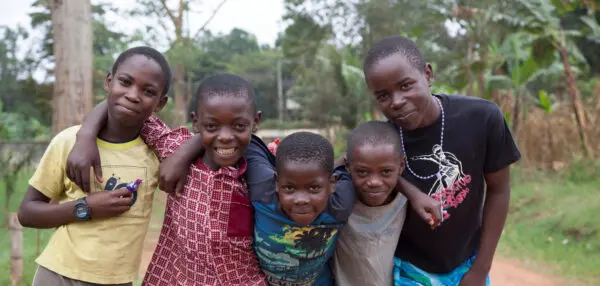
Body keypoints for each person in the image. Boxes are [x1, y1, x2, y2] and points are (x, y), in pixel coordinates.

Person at [66, 73, 267, 285]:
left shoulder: (263, 175)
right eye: (212, 126)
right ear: (196, 122)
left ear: (256, 122)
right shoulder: (175, 148)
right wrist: (86, 134)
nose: (225, 136)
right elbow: (121, 107)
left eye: (238, 126)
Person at [363, 35, 521, 285]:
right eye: (383, 96)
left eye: (405, 86)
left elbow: (499, 190)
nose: (397, 102)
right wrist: (411, 191)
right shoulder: (381, 142)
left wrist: (481, 269)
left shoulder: (482, 118)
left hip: (467, 262)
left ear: (427, 75)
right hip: (410, 269)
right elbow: (348, 164)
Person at [17, 46, 171, 286]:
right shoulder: (69, 141)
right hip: (56, 275)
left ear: (160, 103)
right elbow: (27, 213)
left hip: (115, 281)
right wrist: (85, 207)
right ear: (109, 82)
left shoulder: (156, 155)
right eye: (125, 82)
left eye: (148, 91)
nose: (132, 95)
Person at [333, 120, 408, 286]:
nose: (374, 182)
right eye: (362, 172)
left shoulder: (405, 202)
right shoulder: (338, 201)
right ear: (348, 166)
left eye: (386, 171)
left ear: (401, 165)